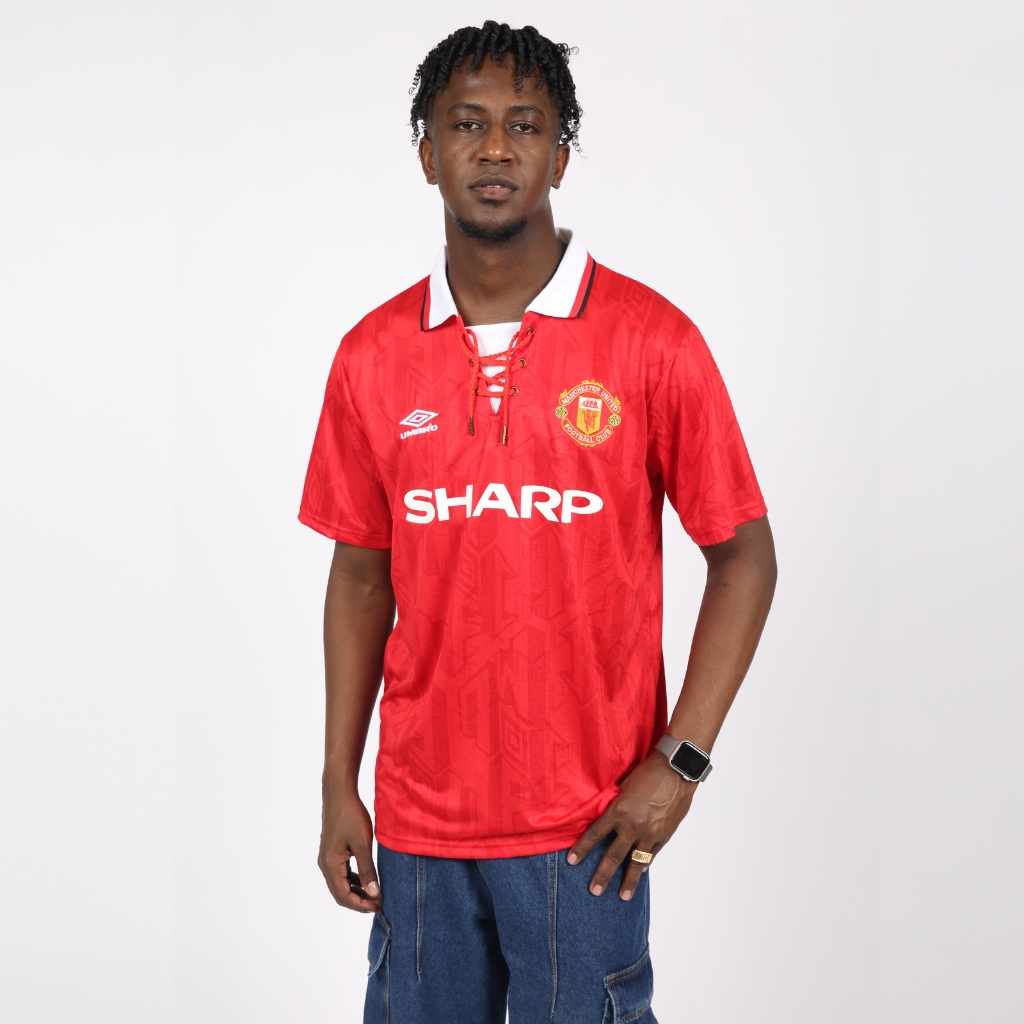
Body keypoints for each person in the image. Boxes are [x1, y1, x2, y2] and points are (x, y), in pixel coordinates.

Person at [298, 21, 777, 1024]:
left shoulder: (652, 341)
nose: (495, 147)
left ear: (560, 155)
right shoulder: (370, 356)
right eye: (466, 123)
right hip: (420, 830)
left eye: (524, 125)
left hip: (587, 829)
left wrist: (680, 763)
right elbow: (360, 575)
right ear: (427, 153)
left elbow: (742, 557)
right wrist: (340, 780)